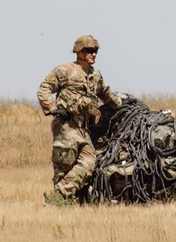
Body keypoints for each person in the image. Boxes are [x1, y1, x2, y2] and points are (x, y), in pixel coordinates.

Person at [37, 35, 123, 203]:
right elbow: (44, 88)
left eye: (95, 51)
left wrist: (123, 104)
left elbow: (107, 95)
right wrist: (53, 109)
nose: (94, 54)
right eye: (90, 51)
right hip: (66, 127)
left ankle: (59, 197)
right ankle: (60, 203)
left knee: (89, 162)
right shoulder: (65, 70)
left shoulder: (95, 75)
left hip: (84, 129)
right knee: (64, 166)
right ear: (79, 52)